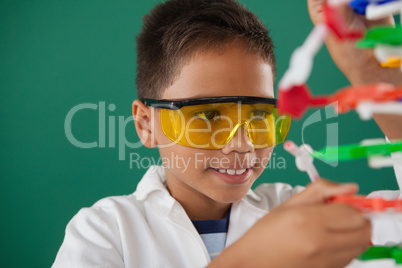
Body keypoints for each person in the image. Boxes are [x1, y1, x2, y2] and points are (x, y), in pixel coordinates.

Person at [52, 0, 402, 267]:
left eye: (261, 116)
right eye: (207, 116)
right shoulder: (106, 232)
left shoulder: (300, 214)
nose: (242, 143)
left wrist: (384, 80)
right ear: (145, 124)